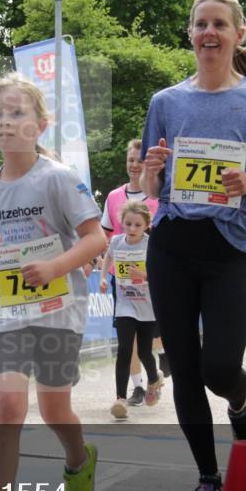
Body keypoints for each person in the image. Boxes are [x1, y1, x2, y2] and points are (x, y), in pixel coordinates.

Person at [140, 0, 246, 491]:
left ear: (238, 35)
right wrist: (152, 170)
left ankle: (241, 400)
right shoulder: (165, 102)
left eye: (219, 25)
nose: (209, 33)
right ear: (190, 33)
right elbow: (148, 186)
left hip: (229, 247)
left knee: (220, 366)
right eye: (201, 24)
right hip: (172, 245)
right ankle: (208, 478)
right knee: (183, 364)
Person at [0, 72, 107, 491]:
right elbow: (1, 241)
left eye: (16, 113)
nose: (5, 123)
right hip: (9, 311)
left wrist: (57, 266)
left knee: (53, 407)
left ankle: (79, 458)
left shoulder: (58, 178)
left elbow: (96, 238)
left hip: (60, 307)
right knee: (7, 405)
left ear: (40, 124)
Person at [102, 139, 168, 386]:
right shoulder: (113, 197)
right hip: (122, 281)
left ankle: (160, 358)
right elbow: (104, 234)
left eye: (140, 161)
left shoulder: (158, 196)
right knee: (127, 339)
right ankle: (138, 386)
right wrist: (94, 261)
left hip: (152, 282)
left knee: (149, 337)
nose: (134, 165)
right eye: (131, 160)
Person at [98, 201, 161, 419]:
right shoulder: (116, 241)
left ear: (146, 225)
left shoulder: (151, 244)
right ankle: (120, 399)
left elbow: (164, 274)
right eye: (128, 224)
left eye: (137, 225)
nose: (132, 229)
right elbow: (108, 256)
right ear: (122, 223)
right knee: (124, 349)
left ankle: (153, 378)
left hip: (148, 305)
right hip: (125, 304)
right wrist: (104, 277)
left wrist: (144, 276)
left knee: (144, 351)